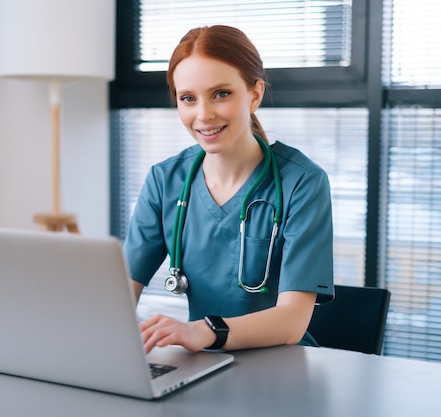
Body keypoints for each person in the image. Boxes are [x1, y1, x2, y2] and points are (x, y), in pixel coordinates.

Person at [123, 25, 334, 354]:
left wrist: (207, 330)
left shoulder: (302, 183)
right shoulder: (165, 181)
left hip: (280, 368)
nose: (204, 115)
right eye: (188, 98)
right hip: (200, 363)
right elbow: (119, 295)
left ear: (254, 94)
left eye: (221, 93)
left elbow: (293, 321)